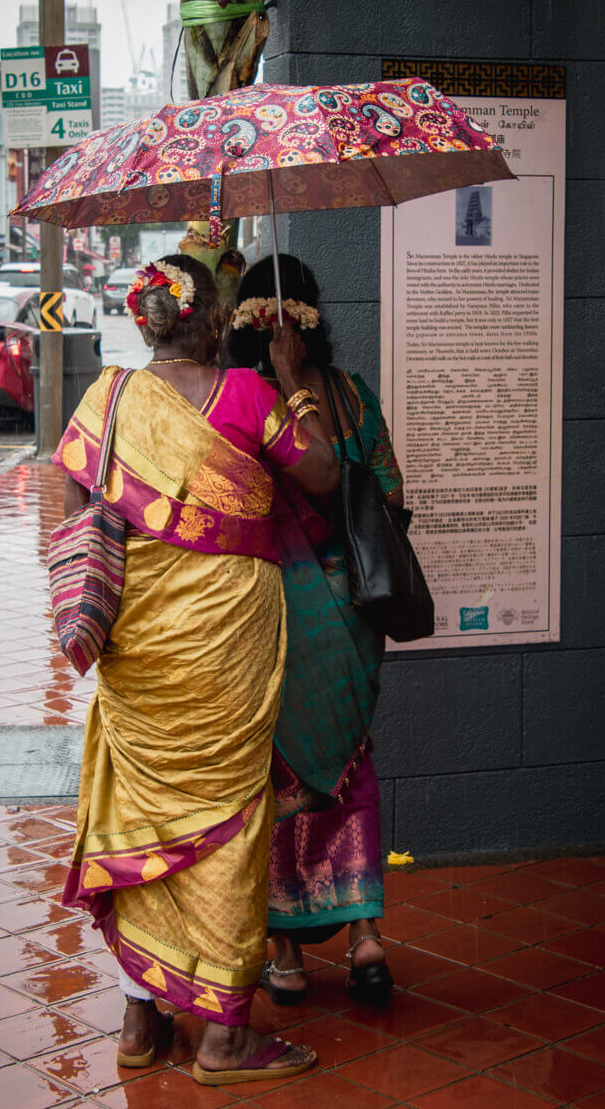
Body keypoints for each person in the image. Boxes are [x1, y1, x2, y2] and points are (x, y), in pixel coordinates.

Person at [53, 255, 339, 1085]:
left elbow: (74, 508)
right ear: (211, 321)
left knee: (139, 813)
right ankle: (223, 1039)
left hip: (136, 639)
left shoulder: (104, 401)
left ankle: (141, 1022)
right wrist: (292, 380)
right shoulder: (248, 397)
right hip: (227, 641)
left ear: (146, 322)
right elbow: (321, 476)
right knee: (227, 820)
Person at [225, 254, 404, 1006]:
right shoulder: (352, 394)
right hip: (355, 612)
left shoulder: (237, 404)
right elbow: (391, 497)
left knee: (275, 775)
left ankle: (286, 953)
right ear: (311, 314)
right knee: (349, 766)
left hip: (268, 612)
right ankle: (365, 941)